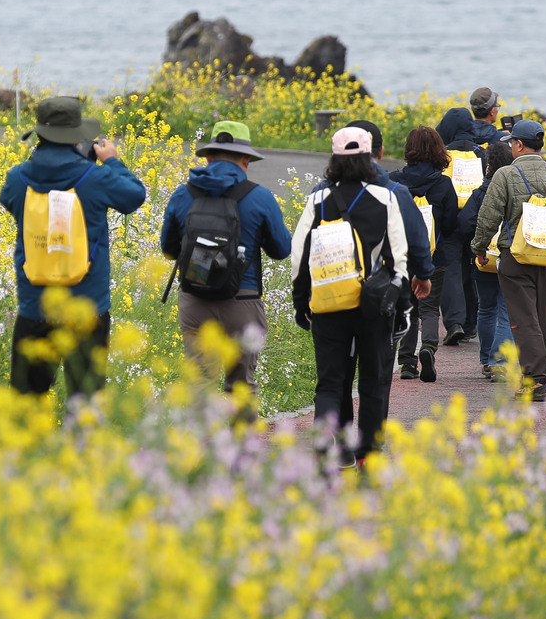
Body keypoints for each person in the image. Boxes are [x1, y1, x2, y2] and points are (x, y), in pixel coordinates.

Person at [0, 95, 147, 398]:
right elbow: (134, 196)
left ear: (39, 134)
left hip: (35, 307)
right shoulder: (95, 178)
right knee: (86, 405)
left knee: (26, 405)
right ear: (77, 137)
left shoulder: (17, 179)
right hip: (87, 307)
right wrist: (112, 161)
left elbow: (12, 203)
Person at [291, 126, 410, 465]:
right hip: (373, 305)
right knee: (372, 382)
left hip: (329, 302)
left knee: (330, 382)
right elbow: (398, 260)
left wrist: (303, 304)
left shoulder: (317, 200)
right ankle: (369, 457)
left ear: (334, 158)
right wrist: (401, 308)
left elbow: (299, 257)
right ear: (370, 156)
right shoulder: (385, 199)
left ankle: (330, 443)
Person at [160, 119, 291, 401]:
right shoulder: (260, 197)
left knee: (199, 384)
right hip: (243, 301)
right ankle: (241, 445)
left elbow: (168, 249)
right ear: (246, 160)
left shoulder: (183, 194)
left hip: (195, 299)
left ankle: (200, 443)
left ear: (208, 157)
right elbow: (281, 250)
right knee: (241, 384)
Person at [313, 119, 433, 414]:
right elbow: (417, 240)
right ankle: (370, 449)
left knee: (334, 375)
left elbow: (306, 246)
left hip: (332, 293)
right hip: (381, 297)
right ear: (378, 154)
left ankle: (337, 442)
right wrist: (423, 274)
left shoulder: (321, 192)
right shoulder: (395, 192)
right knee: (376, 376)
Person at [472, 119, 546, 401]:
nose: (510, 147)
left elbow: (489, 217)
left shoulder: (505, 175)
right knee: (544, 318)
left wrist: (479, 247)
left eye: (511, 143)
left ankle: (535, 380)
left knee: (523, 319)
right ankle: (538, 377)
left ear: (519, 144)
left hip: (515, 260)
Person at [390, 127, 459, 383]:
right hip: (434, 256)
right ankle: (428, 347)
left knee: (406, 308)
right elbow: (452, 222)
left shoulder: (393, 181)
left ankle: (407, 363)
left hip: (400, 254)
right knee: (429, 307)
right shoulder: (443, 183)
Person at [456, 142, 516, 379]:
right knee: (505, 309)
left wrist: (477, 244)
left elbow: (465, 223)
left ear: (490, 165)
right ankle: (498, 360)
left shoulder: (480, 192)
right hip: (508, 256)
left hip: (483, 258)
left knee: (486, 308)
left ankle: (486, 361)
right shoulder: (515, 188)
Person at [436, 107, 488, 346]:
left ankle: (454, 323)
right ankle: (470, 325)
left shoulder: (442, 154)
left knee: (451, 272)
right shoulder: (481, 154)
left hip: (450, 223)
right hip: (476, 221)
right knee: (474, 272)